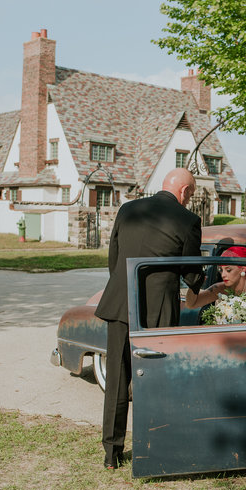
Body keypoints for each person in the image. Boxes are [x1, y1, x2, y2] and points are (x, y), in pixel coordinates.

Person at [94, 168, 204, 470]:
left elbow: (113, 259)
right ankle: (152, 446)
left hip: (120, 303)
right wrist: (205, 283)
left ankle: (111, 453)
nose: (190, 200)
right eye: (191, 194)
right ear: (185, 192)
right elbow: (191, 271)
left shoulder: (128, 209)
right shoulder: (188, 221)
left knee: (117, 378)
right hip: (159, 311)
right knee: (155, 381)